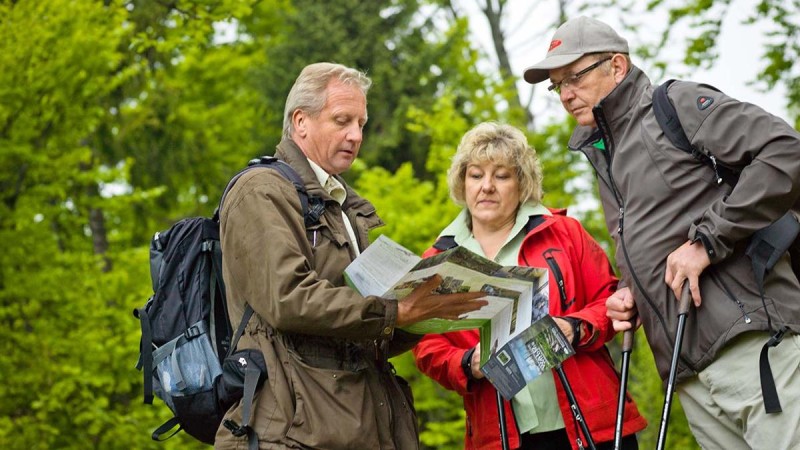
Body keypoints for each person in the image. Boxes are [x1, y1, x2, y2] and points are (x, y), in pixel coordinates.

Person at [522, 16, 800, 449]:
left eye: (574, 77)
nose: (566, 94)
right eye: (557, 85)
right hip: (688, 374)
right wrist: (631, 292)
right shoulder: (605, 157)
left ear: (617, 66)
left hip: (754, 344)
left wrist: (707, 241)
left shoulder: (674, 104)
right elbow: (656, 243)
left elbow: (784, 151)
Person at [214, 62, 488, 449]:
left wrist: (422, 313)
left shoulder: (340, 204)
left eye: (361, 123)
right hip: (290, 432)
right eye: (342, 120)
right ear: (300, 121)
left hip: (356, 424)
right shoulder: (261, 190)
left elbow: (357, 335)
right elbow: (288, 298)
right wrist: (394, 312)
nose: (356, 135)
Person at [412, 122, 646, 450]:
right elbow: (428, 348)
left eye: (502, 176)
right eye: (476, 175)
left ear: (522, 184)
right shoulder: (439, 259)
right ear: (462, 182)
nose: (487, 187)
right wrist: (468, 363)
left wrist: (574, 327)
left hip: (593, 424)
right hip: (501, 436)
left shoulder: (564, 232)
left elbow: (611, 300)